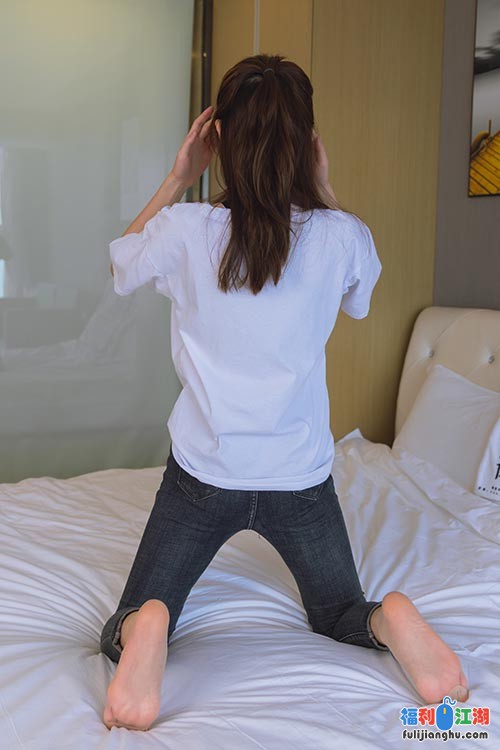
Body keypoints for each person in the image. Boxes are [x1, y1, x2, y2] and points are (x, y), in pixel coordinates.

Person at [100, 54, 469, 732]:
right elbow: (359, 300)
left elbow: (121, 265)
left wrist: (180, 176)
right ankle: (388, 618)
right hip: (298, 481)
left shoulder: (185, 230)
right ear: (308, 144)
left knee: (126, 619)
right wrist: (323, 191)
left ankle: (151, 624)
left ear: (219, 139)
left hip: (203, 477)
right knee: (338, 613)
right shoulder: (341, 236)